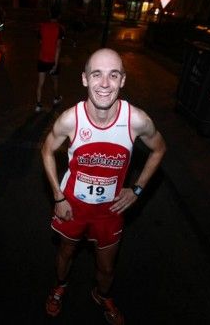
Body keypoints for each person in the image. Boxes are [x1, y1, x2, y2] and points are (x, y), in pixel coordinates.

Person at [41, 48, 166, 324]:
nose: (105, 84)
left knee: (107, 267)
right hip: (73, 206)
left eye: (113, 75)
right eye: (96, 74)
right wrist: (58, 196)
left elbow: (159, 148)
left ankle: (102, 294)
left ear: (123, 80)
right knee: (66, 253)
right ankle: (60, 286)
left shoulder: (136, 120)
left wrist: (137, 189)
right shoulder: (70, 119)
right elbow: (47, 150)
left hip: (110, 211)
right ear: (85, 79)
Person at [35, 7, 65, 113]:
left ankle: (38, 105)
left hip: (42, 58)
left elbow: (40, 42)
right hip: (52, 60)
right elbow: (58, 47)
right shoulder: (60, 29)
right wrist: (55, 64)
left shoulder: (42, 27)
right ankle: (56, 98)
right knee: (55, 81)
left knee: (40, 83)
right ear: (59, 16)